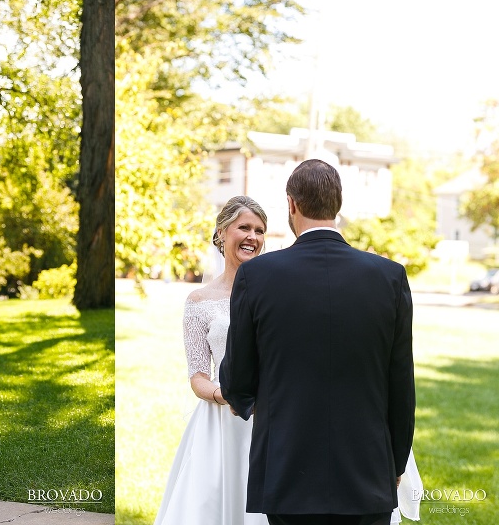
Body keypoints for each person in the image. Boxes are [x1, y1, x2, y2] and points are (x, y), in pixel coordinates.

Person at [220, 159, 416, 525]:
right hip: (367, 471)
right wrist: (396, 461)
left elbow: (237, 380)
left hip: (286, 468)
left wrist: (241, 399)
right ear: (338, 205)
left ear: (291, 204)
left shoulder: (256, 276)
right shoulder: (389, 277)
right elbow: (401, 382)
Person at [154, 196, 270, 525]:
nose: (253, 237)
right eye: (244, 227)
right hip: (220, 424)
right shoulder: (199, 300)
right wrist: (224, 394)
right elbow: (198, 376)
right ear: (221, 233)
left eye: (260, 230)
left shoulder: (274, 295)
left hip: (269, 419)